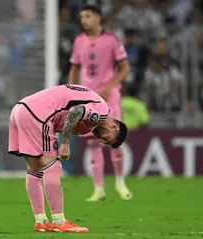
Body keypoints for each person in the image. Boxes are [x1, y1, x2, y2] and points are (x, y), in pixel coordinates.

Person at [8, 84, 128, 232]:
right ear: (114, 128)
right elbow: (75, 111)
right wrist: (65, 143)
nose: (101, 140)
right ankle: (59, 221)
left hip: (20, 109)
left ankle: (40, 221)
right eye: (107, 139)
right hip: (39, 114)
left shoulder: (90, 119)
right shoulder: (101, 112)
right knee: (53, 165)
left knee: (35, 169)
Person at [68, 5, 132, 201]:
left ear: (97, 18)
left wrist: (110, 86)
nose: (83, 20)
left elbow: (124, 68)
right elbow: (75, 68)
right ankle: (98, 189)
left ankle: (120, 182)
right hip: (89, 95)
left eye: (87, 16)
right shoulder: (79, 41)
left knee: (114, 134)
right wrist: (72, 91)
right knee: (92, 141)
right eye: (81, 16)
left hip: (110, 95)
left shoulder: (112, 40)